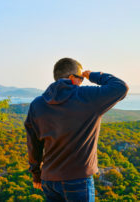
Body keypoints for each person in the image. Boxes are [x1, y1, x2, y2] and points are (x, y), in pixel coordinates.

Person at [24, 58, 129, 201]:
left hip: (49, 180)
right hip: (77, 180)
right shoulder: (86, 96)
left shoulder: (37, 104)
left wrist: (36, 174)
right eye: (81, 78)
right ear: (72, 78)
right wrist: (92, 75)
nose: (82, 82)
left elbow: (33, 144)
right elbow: (120, 87)